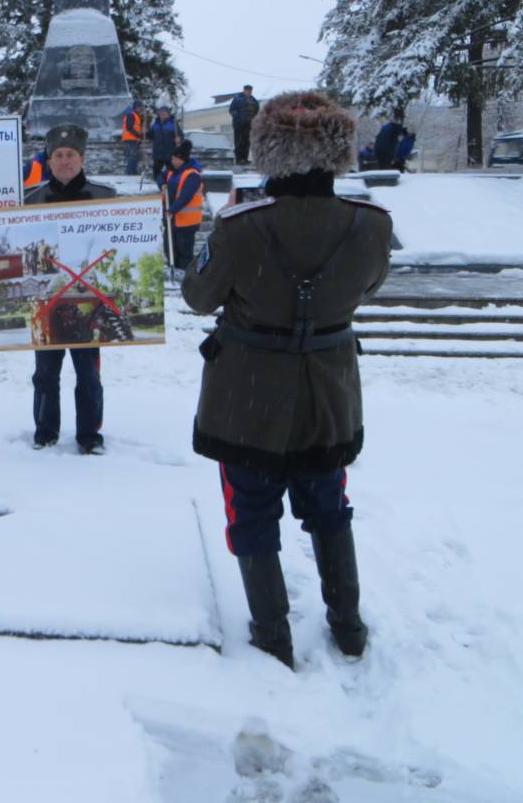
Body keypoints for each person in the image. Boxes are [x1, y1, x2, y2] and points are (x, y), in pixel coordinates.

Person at [181, 90, 392, 669]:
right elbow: (366, 290)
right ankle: (347, 625)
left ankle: (272, 634)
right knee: (328, 506)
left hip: (246, 398)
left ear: (268, 154)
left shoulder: (239, 226)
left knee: (250, 510)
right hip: (328, 390)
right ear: (336, 152)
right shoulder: (372, 225)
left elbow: (199, 297)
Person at [0, 123, 116, 454]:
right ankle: (45, 431)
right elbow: (7, 243)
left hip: (88, 301)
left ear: (82, 158)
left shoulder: (106, 196)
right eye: (58, 155)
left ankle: (89, 436)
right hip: (46, 300)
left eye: (71, 155)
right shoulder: (29, 199)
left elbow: (127, 240)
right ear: (49, 160)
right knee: (45, 373)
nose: (65, 161)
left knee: (89, 375)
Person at [159, 140, 203, 270]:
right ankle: (174, 272)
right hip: (171, 219)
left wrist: (172, 210)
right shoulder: (172, 172)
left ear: (181, 159)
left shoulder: (193, 175)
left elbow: (185, 197)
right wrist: (162, 183)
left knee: (184, 252)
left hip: (186, 221)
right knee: (170, 250)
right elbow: (160, 175)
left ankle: (184, 276)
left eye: (174, 158)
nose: (172, 161)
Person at [147, 105, 184, 185]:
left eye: (164, 113)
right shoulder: (155, 124)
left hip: (170, 152)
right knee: (156, 171)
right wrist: (146, 132)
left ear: (168, 114)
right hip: (158, 152)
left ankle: (172, 185)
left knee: (171, 171)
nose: (162, 115)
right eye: (160, 113)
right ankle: (158, 185)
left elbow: (181, 135)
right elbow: (150, 136)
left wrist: (179, 139)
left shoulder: (173, 123)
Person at [229, 85, 260, 165]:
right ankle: (239, 159)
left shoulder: (253, 100)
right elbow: (231, 109)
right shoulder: (238, 98)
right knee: (239, 141)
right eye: (247, 90)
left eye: (250, 91)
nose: (249, 92)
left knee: (247, 141)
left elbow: (257, 111)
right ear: (244, 90)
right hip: (239, 124)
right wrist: (237, 117)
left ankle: (245, 159)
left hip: (249, 124)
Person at [120, 98, 145, 175]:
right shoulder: (131, 115)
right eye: (138, 107)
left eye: (141, 107)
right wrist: (138, 135)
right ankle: (130, 172)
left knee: (134, 155)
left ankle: (132, 171)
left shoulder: (136, 116)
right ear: (135, 107)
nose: (140, 109)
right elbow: (129, 127)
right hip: (130, 138)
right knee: (132, 155)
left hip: (133, 138)